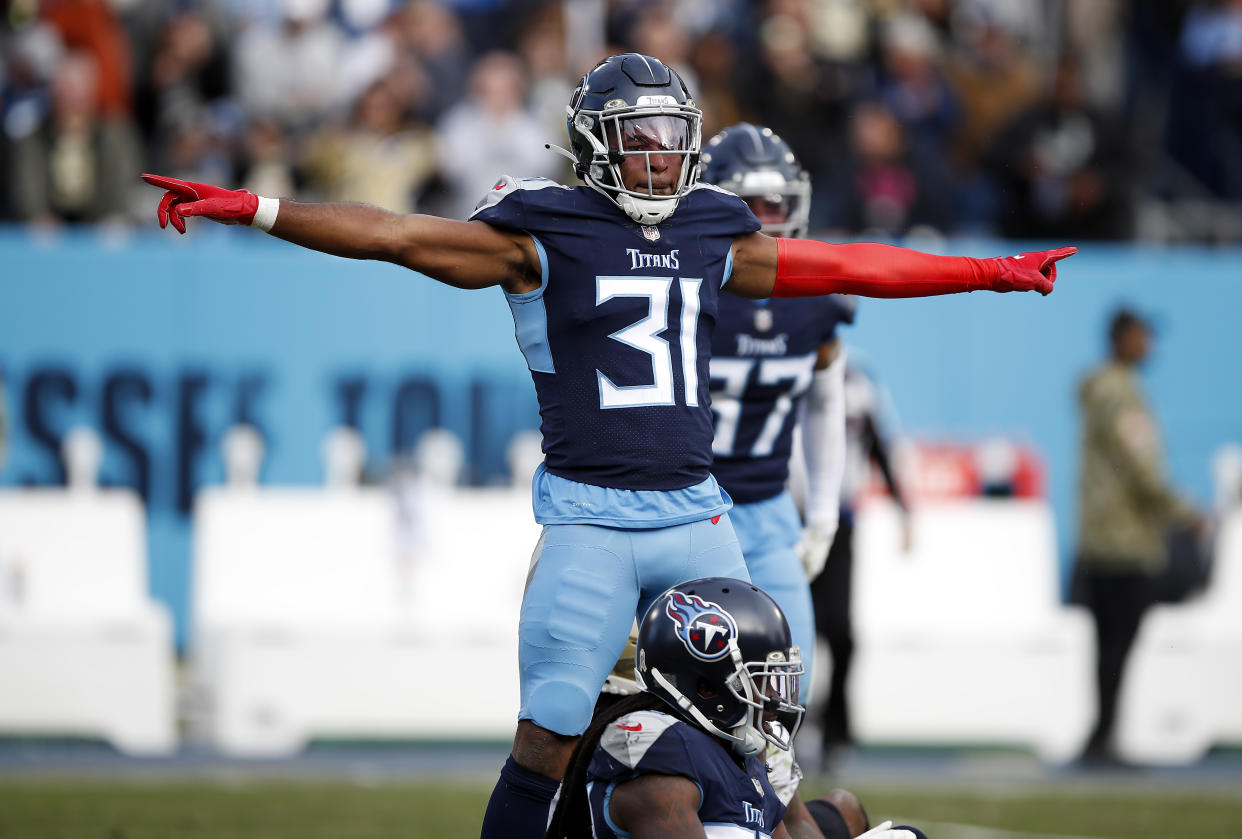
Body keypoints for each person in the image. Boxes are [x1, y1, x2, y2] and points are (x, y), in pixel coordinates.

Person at [141, 53, 1074, 838]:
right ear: (597, 143)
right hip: (588, 515)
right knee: (547, 731)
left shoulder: (714, 225)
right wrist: (256, 207)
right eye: (643, 136)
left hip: (697, 513)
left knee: (760, 727)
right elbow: (394, 235)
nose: (664, 156)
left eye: (674, 136)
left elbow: (848, 262)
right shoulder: (545, 225)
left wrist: (986, 271)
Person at [548, 576, 924, 839]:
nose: (777, 700)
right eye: (762, 680)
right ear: (707, 686)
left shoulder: (737, 754)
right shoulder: (663, 753)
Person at [699, 122, 854, 706]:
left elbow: (825, 401)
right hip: (687, 512)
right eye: (750, 202)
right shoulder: (685, 285)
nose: (767, 216)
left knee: (789, 688)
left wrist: (821, 513)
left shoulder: (815, 301)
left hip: (766, 512)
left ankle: (762, 797)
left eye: (778, 202)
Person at [1073, 307, 1202, 765]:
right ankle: (1103, 738)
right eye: (1143, 336)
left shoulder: (1100, 389)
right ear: (1124, 338)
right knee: (1118, 644)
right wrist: (1187, 512)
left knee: (1107, 645)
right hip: (1125, 538)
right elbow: (1143, 470)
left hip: (1100, 535)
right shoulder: (1121, 394)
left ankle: (1100, 735)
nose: (1149, 346)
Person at [810, 361, 910, 765]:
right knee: (791, 630)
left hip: (839, 522)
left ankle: (836, 728)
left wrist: (905, 509)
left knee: (841, 632)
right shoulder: (791, 359)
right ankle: (782, 724)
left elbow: (879, 445)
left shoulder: (859, 380)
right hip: (787, 518)